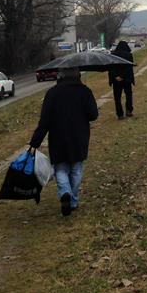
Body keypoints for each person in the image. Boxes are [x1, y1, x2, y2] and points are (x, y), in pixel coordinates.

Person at [29, 67, 98, 216]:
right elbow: (93, 115)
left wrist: (35, 142)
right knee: (76, 169)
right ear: (78, 74)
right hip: (79, 137)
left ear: (60, 76)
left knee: (60, 169)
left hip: (58, 137)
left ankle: (65, 193)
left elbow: (44, 121)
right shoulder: (84, 91)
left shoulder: (52, 93)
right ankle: (72, 201)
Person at [109, 40, 135, 119]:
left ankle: (120, 114)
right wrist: (123, 76)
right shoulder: (129, 55)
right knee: (128, 95)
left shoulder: (113, 55)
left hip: (116, 80)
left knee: (117, 97)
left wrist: (116, 76)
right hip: (127, 79)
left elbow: (111, 68)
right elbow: (129, 67)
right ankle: (129, 110)